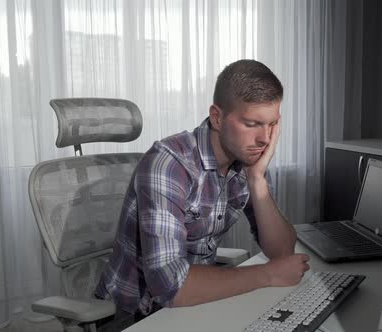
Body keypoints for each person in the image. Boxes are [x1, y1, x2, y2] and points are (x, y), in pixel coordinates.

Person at [95, 59, 310, 328]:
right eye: (252, 123)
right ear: (217, 118)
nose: (265, 139)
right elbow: (170, 286)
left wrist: (256, 180)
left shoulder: (246, 160)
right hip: (141, 314)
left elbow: (282, 253)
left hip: (194, 303)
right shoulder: (169, 164)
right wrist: (268, 274)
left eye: (272, 125)